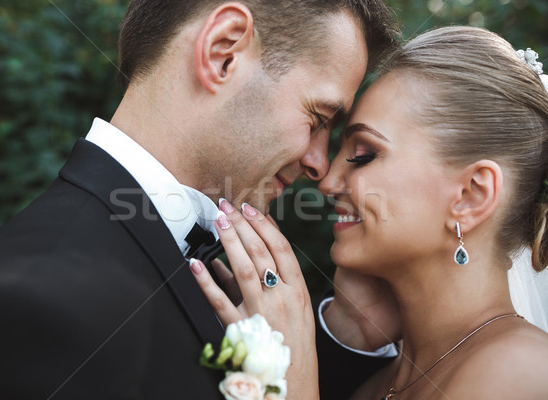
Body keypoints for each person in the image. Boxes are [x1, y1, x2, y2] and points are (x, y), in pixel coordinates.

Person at [0, 1, 399, 399]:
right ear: (224, 52)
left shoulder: (211, 274)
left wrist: (353, 331)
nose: (320, 164)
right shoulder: (31, 311)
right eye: (318, 117)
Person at [192, 26, 548, 399]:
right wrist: (348, 331)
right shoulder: (378, 381)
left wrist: (284, 384)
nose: (328, 181)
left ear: (472, 195)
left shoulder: (518, 374)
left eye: (364, 155)